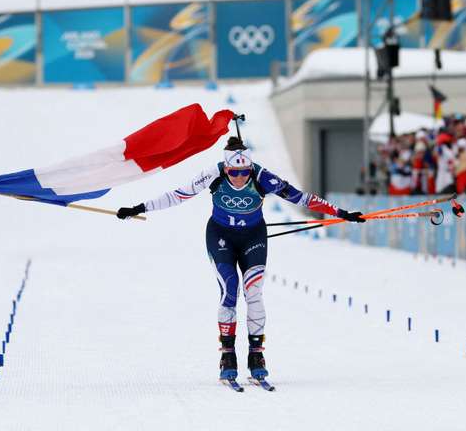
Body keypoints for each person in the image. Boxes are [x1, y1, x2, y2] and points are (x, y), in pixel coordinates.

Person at [116, 135, 366, 385]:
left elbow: (301, 198)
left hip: (253, 237)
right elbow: (178, 195)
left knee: (254, 291)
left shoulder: (262, 177)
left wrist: (342, 214)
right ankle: (227, 355)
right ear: (226, 168)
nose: (240, 177)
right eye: (234, 173)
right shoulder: (213, 174)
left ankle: (257, 355)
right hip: (220, 237)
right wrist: (139, 208)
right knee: (230, 291)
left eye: (244, 172)